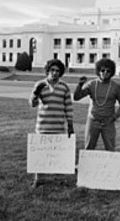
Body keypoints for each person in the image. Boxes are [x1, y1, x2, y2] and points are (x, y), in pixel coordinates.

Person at [29, 59, 74, 188]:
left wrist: (70, 125)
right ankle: (39, 179)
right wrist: (36, 93)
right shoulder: (40, 84)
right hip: (43, 126)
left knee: (58, 154)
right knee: (41, 153)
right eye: (52, 70)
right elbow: (33, 104)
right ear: (48, 71)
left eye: (57, 71)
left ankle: (60, 178)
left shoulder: (64, 87)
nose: (54, 73)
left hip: (59, 126)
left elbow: (68, 106)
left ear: (61, 73)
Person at [73, 58, 120, 151]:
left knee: (110, 148)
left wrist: (114, 117)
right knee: (89, 148)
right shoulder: (92, 84)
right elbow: (76, 97)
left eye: (108, 71)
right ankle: (88, 165)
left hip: (108, 122)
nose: (105, 73)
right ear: (98, 71)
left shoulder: (116, 87)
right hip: (93, 120)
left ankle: (110, 165)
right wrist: (80, 85)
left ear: (112, 73)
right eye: (102, 70)